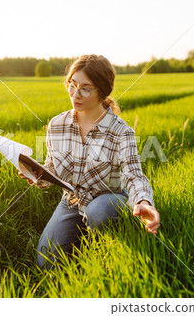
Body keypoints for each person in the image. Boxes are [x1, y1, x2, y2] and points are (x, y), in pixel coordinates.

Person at [17, 54, 160, 270]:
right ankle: (84, 237)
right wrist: (37, 175)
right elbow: (53, 167)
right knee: (46, 262)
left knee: (99, 212)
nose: (76, 94)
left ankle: (112, 244)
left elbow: (134, 175)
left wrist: (143, 202)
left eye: (86, 88)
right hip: (72, 200)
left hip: (107, 200)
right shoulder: (57, 125)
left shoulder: (121, 132)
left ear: (102, 91)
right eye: (72, 85)